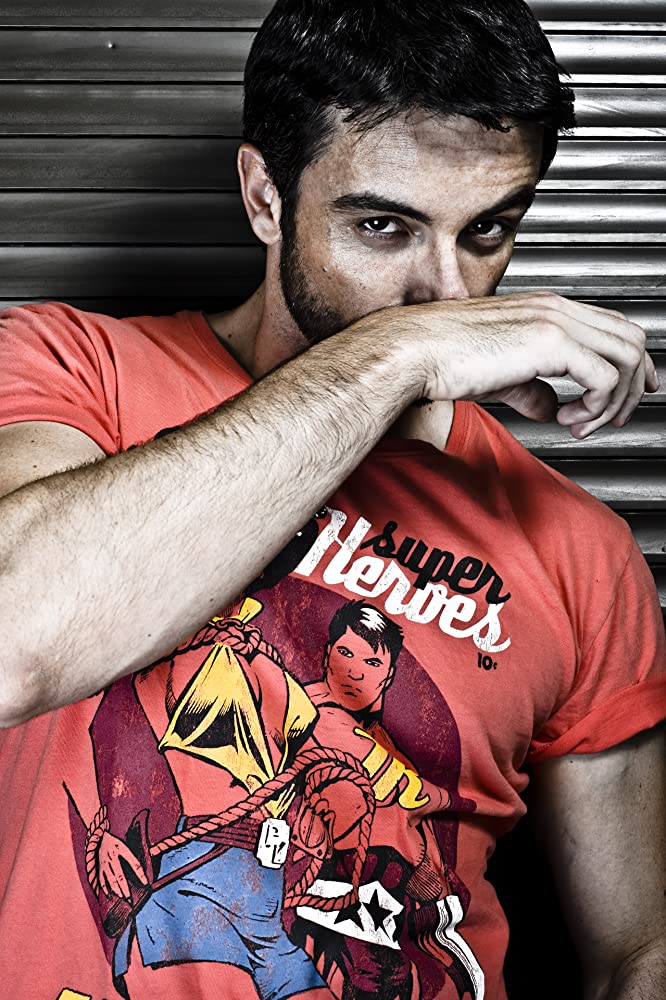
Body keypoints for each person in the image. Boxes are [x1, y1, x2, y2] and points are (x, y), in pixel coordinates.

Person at [0, 1, 664, 999]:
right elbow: (13, 639)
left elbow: (638, 951)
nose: (449, 294)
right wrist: (397, 357)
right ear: (264, 197)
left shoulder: (578, 545)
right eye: (382, 226)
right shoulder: (74, 371)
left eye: (487, 230)